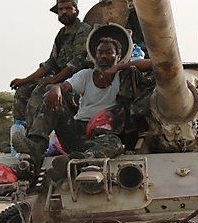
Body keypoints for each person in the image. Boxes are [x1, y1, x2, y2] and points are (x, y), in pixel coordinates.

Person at [15, 36, 151, 169]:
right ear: (95, 56)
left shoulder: (122, 77)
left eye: (109, 53)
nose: (103, 56)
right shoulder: (85, 75)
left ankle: (78, 161)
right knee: (51, 98)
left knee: (114, 144)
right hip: (76, 131)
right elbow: (64, 86)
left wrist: (118, 68)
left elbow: (150, 64)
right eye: (100, 52)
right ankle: (36, 146)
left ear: (118, 56)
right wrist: (56, 88)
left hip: (102, 135)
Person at [9, 0, 92, 130]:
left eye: (67, 8)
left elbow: (78, 62)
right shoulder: (61, 34)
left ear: (76, 10)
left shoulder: (83, 30)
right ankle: (19, 130)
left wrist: (55, 80)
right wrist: (24, 80)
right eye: (60, 9)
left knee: (41, 89)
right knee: (23, 90)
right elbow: (50, 63)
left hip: (76, 82)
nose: (64, 12)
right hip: (58, 79)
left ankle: (32, 135)